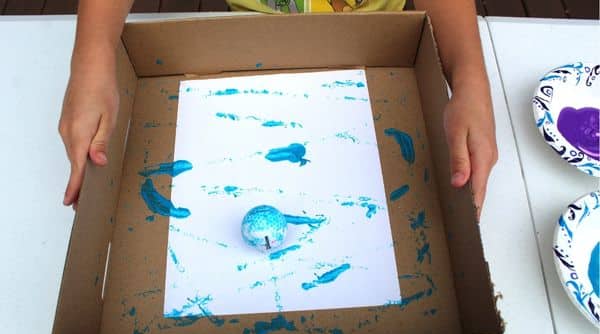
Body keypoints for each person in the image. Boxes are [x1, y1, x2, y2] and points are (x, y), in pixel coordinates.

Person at [59, 0, 497, 218]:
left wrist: (470, 80)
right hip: (253, 46)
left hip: (379, 52)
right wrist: (92, 59)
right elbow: (96, 50)